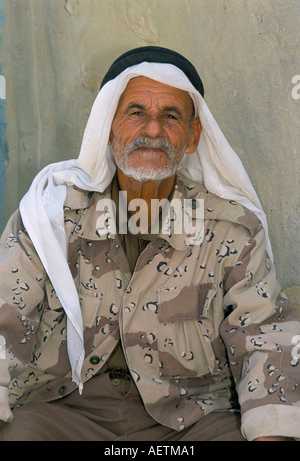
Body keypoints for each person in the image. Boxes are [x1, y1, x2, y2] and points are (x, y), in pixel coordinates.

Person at [0, 46, 299, 441]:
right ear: (108, 127)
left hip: (192, 419)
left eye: (171, 116)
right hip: (67, 411)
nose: (153, 130)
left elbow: (264, 336)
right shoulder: (50, 216)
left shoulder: (231, 228)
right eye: (136, 112)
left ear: (193, 137)